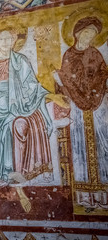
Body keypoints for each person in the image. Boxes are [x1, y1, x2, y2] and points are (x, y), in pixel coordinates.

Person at [0, 29, 68, 213]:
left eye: (9, 38)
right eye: (1, 38)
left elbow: (33, 86)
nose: (5, 42)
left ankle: (18, 187)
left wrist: (51, 96)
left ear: (14, 41)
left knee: (11, 129)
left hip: (17, 109)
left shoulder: (21, 61)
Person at [54, 16, 108, 208]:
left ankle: (103, 196)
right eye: (86, 32)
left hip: (98, 104)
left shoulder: (96, 54)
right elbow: (66, 79)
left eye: (92, 34)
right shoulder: (69, 55)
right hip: (77, 108)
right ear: (77, 34)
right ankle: (85, 196)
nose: (89, 36)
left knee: (102, 144)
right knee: (79, 147)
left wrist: (95, 91)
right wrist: (60, 77)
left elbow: (103, 75)